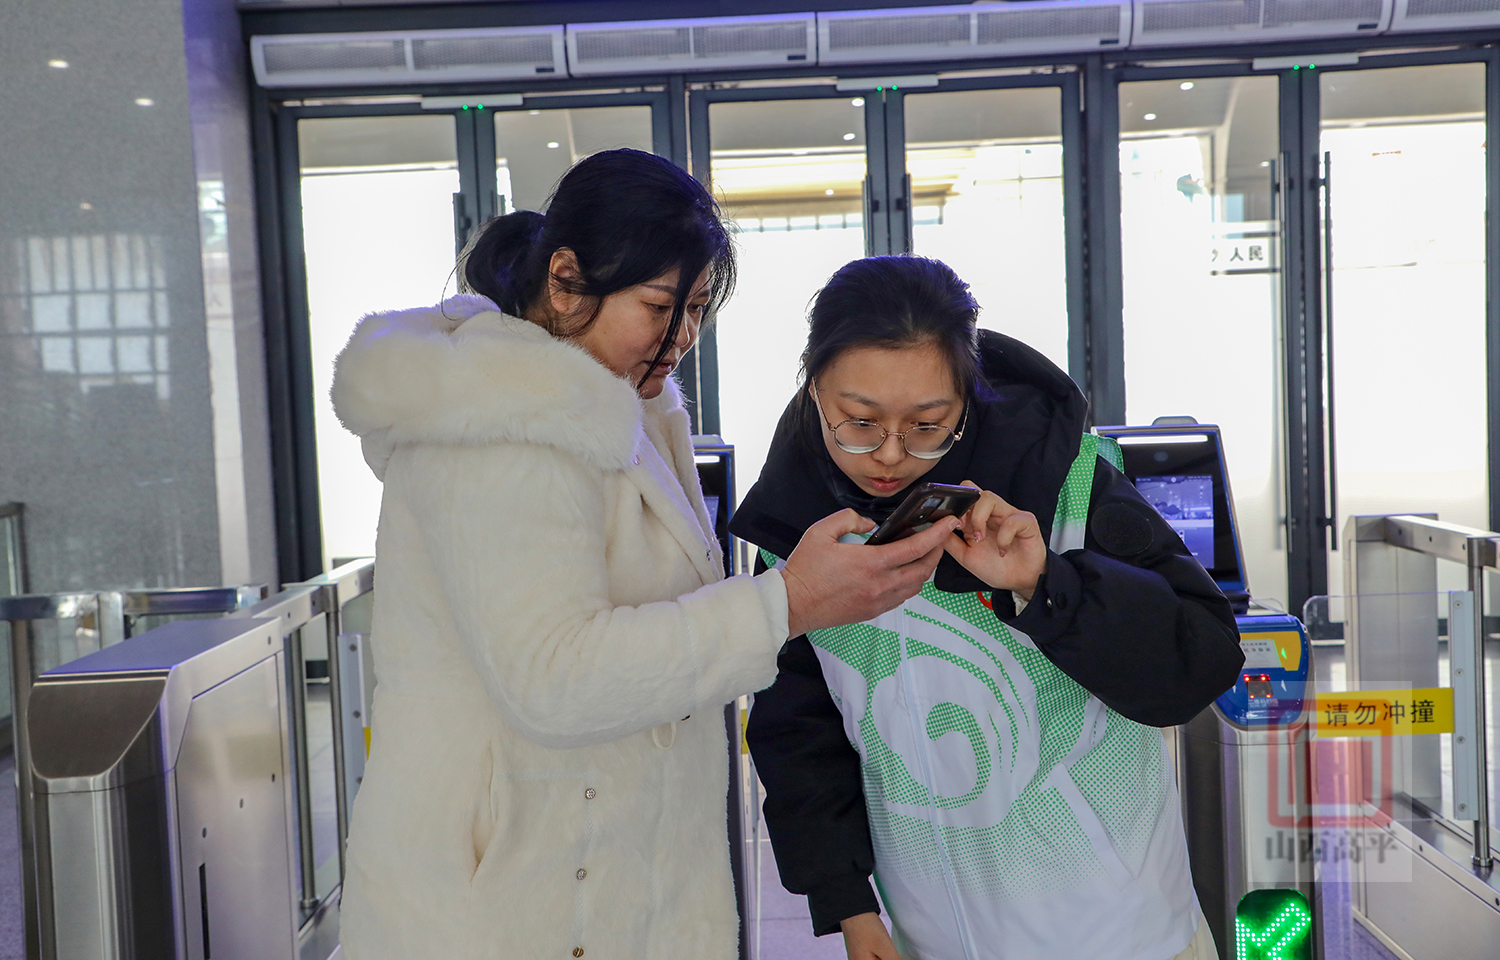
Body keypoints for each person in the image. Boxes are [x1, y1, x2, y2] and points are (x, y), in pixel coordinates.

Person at [331, 151, 962, 960]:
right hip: (512, 899)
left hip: (592, 868)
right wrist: (788, 602)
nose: (682, 337)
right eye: (661, 306)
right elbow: (553, 678)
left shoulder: (616, 403)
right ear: (566, 282)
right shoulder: (500, 427)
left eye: (696, 308)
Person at [732, 256, 1245, 960]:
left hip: (1124, 935)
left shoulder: (1068, 484)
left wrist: (1045, 582)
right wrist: (846, 901)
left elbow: (1197, 666)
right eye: (859, 421)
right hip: (932, 939)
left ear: (966, 397)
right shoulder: (797, 539)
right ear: (814, 387)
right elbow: (799, 736)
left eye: (927, 424)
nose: (890, 454)